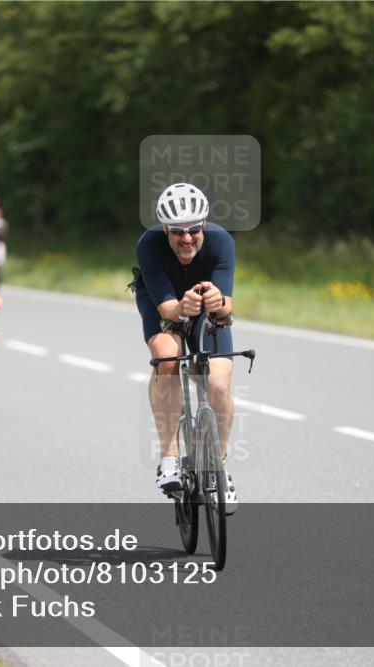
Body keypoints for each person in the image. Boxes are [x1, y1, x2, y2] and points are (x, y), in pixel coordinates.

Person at [134, 183, 239, 513]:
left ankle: (219, 468)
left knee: (218, 385)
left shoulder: (222, 241)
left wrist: (216, 301)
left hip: (207, 309)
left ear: (204, 224)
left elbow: (228, 305)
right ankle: (169, 456)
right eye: (177, 231)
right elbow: (167, 310)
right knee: (166, 357)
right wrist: (183, 306)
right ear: (164, 228)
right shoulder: (149, 245)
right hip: (162, 304)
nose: (187, 238)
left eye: (194, 229)